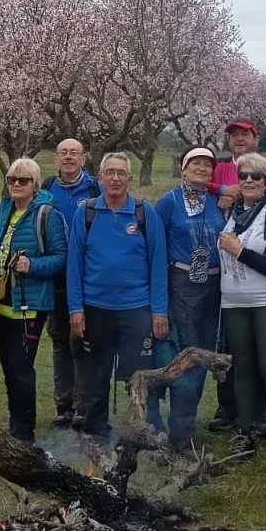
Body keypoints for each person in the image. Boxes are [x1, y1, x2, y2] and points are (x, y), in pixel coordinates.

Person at [64, 152, 168, 442]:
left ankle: (142, 431)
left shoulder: (145, 213)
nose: (115, 178)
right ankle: (97, 431)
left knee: (140, 377)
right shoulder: (85, 213)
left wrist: (159, 311)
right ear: (100, 178)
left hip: (137, 310)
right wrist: (76, 309)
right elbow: (75, 265)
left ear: (130, 179)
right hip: (96, 309)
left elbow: (158, 265)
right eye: (109, 172)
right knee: (96, 376)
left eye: (121, 173)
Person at [0, 158, 68, 443]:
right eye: (11, 180)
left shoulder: (47, 214)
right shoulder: (4, 209)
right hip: (1, 301)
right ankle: (15, 420)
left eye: (24, 180)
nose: (16, 185)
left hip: (30, 304)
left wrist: (32, 265)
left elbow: (60, 257)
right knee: (9, 367)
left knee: (21, 368)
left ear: (34, 184)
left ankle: (24, 431)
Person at [218, 153, 266, 465]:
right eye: (244, 176)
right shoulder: (232, 213)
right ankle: (245, 430)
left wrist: (240, 251)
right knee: (243, 366)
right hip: (234, 302)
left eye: (256, 177)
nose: (249, 181)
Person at [151, 147, 227, 448]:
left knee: (205, 353)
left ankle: (186, 422)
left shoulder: (217, 202)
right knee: (188, 352)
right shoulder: (169, 202)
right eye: (195, 163)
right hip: (181, 282)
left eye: (207, 165)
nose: (201, 168)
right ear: (184, 168)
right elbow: (156, 249)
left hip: (213, 283)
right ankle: (178, 431)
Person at [40, 138, 101, 429]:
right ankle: (63, 404)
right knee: (60, 341)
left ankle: (82, 403)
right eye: (63, 152)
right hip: (55, 277)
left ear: (83, 158)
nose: (68, 157)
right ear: (56, 158)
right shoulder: (46, 188)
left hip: (87, 278)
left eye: (74, 153)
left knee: (83, 341)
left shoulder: (94, 190)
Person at [209, 119, 266, 211]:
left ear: (256, 139)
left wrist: (240, 198)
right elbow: (198, 185)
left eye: (245, 134)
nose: (239, 139)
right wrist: (222, 189)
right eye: (234, 135)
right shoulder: (217, 165)